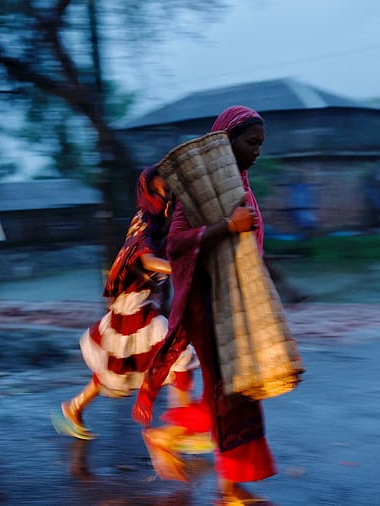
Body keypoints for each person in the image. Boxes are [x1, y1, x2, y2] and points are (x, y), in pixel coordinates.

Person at [133, 105, 277, 504]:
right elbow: (178, 243)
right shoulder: (197, 191)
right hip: (209, 305)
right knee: (228, 393)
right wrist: (227, 227)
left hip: (239, 304)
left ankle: (172, 438)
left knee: (238, 391)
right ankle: (230, 488)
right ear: (227, 143)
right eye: (251, 143)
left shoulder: (242, 185)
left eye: (260, 144)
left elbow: (251, 248)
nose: (257, 151)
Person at [53, 165, 199, 441]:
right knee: (177, 355)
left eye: (166, 188)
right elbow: (145, 260)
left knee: (119, 366)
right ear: (145, 191)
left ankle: (74, 407)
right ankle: (181, 426)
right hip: (133, 305)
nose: (163, 193)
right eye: (156, 188)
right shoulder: (144, 219)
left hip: (140, 303)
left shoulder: (161, 222)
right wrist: (179, 266)